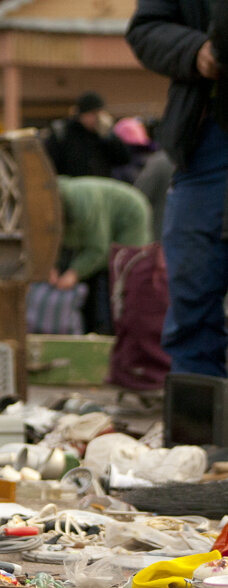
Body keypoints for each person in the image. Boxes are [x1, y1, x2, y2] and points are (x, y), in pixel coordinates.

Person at [127, 1, 228, 377]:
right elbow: (146, 27)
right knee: (192, 294)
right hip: (208, 138)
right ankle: (196, 430)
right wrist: (195, 51)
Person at [50, 176, 152, 334]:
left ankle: (122, 331)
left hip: (130, 214)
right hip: (104, 214)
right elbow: (51, 238)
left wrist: (74, 273)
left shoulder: (84, 207)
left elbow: (98, 249)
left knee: (123, 271)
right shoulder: (49, 200)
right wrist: (52, 266)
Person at [45, 92, 130, 177]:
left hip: (100, 186)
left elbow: (123, 159)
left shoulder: (103, 135)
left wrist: (109, 136)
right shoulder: (63, 132)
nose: (98, 118)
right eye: (93, 113)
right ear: (82, 114)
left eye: (100, 113)